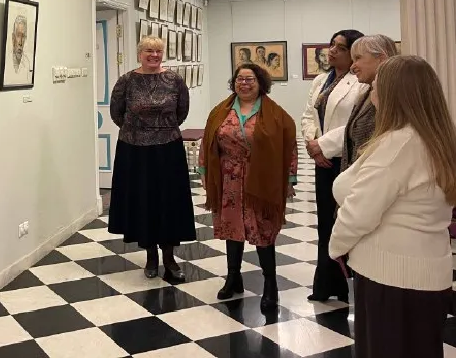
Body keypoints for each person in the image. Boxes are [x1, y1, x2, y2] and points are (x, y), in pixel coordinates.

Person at [330, 55, 456, 358]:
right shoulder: (437, 137)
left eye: (376, 84)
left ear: (392, 93)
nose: (371, 90)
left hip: (391, 277)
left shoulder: (399, 144)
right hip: (426, 274)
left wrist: (336, 247)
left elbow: (360, 213)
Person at [199, 64, 297, 311]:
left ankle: (270, 284)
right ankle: (233, 278)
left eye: (250, 79)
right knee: (231, 228)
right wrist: (204, 172)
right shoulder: (219, 111)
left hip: (262, 180)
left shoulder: (275, 114)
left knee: (263, 230)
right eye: (240, 79)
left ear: (260, 82)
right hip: (228, 179)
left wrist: (289, 179)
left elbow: (289, 146)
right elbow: (207, 142)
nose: (244, 84)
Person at [108, 35, 196, 281]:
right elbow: (116, 113)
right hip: (134, 151)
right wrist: (139, 130)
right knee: (143, 202)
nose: (154, 55)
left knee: (169, 202)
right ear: (140, 54)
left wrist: (160, 129)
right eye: (149, 50)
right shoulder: (126, 81)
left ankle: (169, 258)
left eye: (158, 51)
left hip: (168, 149)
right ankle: (150, 256)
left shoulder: (175, 80)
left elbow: (182, 112)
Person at [301, 29, 365, 303]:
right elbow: (308, 115)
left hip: (346, 158)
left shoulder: (361, 83)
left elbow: (356, 123)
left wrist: (323, 145)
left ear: (353, 53)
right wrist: (312, 142)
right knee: (326, 221)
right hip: (323, 159)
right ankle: (327, 284)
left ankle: (355, 280)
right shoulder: (321, 80)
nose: (332, 51)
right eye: (332, 45)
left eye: (340, 47)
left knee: (347, 220)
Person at [316, 35, 398, 173]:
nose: (353, 66)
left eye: (358, 58)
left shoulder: (392, 98)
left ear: (381, 59)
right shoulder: (367, 93)